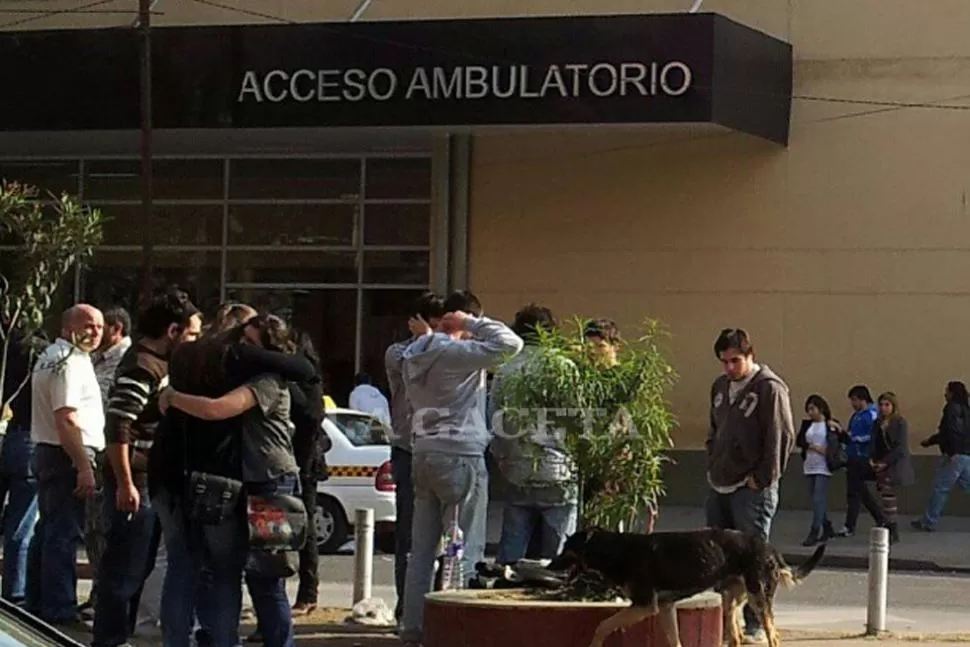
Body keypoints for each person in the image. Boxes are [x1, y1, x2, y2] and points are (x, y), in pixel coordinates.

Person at [149, 314, 315, 647]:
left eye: (252, 344)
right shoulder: (241, 374)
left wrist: (173, 397)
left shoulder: (266, 380)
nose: (243, 351)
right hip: (251, 481)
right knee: (237, 575)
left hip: (272, 482)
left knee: (266, 578)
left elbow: (217, 409)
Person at [398, 290, 523, 647]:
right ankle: (459, 632)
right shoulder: (456, 353)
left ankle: (413, 627)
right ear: (455, 320)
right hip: (461, 454)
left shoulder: (412, 353)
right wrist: (469, 323)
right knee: (464, 545)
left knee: (421, 551)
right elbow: (509, 344)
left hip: (423, 453)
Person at [92, 290, 202, 647]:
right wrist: (125, 482)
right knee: (123, 570)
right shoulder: (142, 366)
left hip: (149, 478)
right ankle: (110, 639)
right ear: (173, 331)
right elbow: (119, 425)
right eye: (192, 334)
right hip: (135, 481)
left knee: (137, 569)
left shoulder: (159, 365)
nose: (194, 342)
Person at [705, 328, 794, 645]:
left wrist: (763, 477)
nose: (730, 367)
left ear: (750, 355)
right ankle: (728, 624)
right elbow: (714, 429)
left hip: (751, 487)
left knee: (753, 558)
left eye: (735, 360)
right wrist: (712, 458)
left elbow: (780, 437)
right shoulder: (719, 387)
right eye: (724, 361)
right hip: (720, 483)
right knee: (718, 559)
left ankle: (756, 623)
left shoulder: (769, 388)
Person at [26, 304, 105, 628]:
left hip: (51, 450)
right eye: (89, 325)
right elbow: (67, 417)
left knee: (47, 530)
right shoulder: (67, 362)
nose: (96, 332)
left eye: (100, 326)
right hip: (66, 454)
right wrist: (84, 466)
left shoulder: (50, 357)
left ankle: (37, 601)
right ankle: (58, 608)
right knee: (61, 534)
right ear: (69, 326)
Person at [490, 303, 578, 563]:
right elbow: (576, 418)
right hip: (558, 468)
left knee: (512, 548)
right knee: (559, 553)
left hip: (517, 467)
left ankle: (505, 592)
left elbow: (494, 419)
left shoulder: (507, 370)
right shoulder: (563, 368)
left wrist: (502, 459)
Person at [384, 292, 444, 622]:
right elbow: (413, 367)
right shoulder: (400, 353)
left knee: (449, 539)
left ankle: (438, 606)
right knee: (409, 535)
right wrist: (429, 339)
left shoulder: (449, 348)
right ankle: (407, 608)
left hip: (444, 448)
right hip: (409, 449)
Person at [83, 306, 133, 618]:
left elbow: (103, 404)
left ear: (115, 329)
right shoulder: (95, 360)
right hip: (98, 448)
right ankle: (100, 591)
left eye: (100, 328)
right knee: (93, 528)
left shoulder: (123, 361)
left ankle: (107, 597)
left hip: (110, 451)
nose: (94, 335)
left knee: (104, 529)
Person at [0, 326, 38, 605]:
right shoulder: (36, 352)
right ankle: (15, 595)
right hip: (30, 437)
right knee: (21, 526)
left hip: (12, 433)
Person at [913, 381, 970, 532]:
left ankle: (929, 521)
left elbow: (949, 431)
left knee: (940, 488)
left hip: (954, 455)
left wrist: (951, 451)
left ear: (952, 393)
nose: (945, 394)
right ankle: (928, 520)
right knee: (966, 484)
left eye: (947, 391)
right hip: (966, 454)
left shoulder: (951, 408)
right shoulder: (966, 409)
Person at [836, 385, 884, 538]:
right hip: (853, 458)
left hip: (863, 458)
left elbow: (873, 437)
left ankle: (851, 525)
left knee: (855, 492)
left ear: (862, 399)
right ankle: (880, 518)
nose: (852, 404)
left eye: (854, 400)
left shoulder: (871, 414)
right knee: (859, 492)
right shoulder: (856, 416)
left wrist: (853, 439)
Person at [795, 394, 842, 546]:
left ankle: (814, 531)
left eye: (812, 409)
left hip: (824, 466)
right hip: (809, 464)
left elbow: (842, 442)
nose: (810, 412)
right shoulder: (807, 425)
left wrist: (839, 431)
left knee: (818, 498)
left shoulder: (829, 425)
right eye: (808, 409)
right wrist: (812, 447)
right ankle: (827, 526)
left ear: (820, 408)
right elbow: (799, 440)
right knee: (816, 500)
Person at [869, 391, 914, 544]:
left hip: (894, 464)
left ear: (893, 406)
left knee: (889, 496)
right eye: (881, 405)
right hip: (880, 463)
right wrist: (872, 459)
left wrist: (885, 462)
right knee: (884, 496)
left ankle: (892, 528)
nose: (883, 408)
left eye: (887, 405)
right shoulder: (877, 423)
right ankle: (888, 525)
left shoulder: (900, 422)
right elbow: (874, 443)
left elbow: (900, 447)